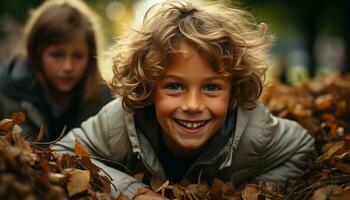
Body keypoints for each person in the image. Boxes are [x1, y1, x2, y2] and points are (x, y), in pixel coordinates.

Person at [53, 0, 315, 199]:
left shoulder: (255, 132)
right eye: (175, 86)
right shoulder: (120, 123)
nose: (192, 105)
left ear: (233, 93)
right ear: (149, 90)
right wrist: (135, 192)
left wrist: (252, 192)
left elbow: (301, 146)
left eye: (211, 87)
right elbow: (61, 152)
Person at [0, 0, 112, 141]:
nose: (68, 67)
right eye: (57, 55)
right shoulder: (8, 93)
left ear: (90, 57)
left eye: (78, 56)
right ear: (36, 53)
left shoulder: (106, 103)